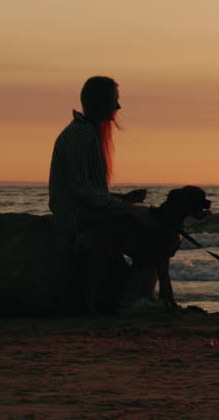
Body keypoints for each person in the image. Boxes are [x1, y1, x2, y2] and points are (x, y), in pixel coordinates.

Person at [48, 76, 158, 313]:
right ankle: (132, 300)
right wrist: (121, 205)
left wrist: (122, 200)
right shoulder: (79, 136)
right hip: (77, 217)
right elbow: (79, 188)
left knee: (150, 224)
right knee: (151, 237)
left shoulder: (86, 132)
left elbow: (87, 188)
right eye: (114, 101)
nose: (118, 107)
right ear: (100, 102)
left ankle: (139, 296)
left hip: (84, 212)